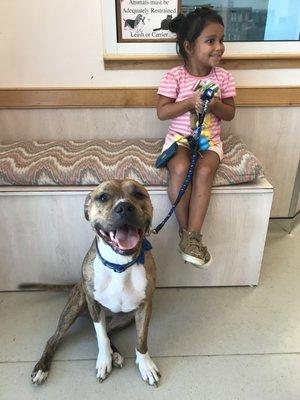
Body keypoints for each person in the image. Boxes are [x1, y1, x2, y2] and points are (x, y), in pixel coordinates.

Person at [156, 7, 236, 267]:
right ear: (189, 46)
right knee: (179, 167)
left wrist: (214, 106)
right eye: (211, 40)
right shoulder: (174, 76)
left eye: (221, 40)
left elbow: (230, 113)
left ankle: (193, 235)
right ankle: (187, 235)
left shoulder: (223, 77)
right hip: (180, 139)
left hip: (210, 142)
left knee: (203, 172)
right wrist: (189, 102)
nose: (219, 47)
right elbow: (162, 112)